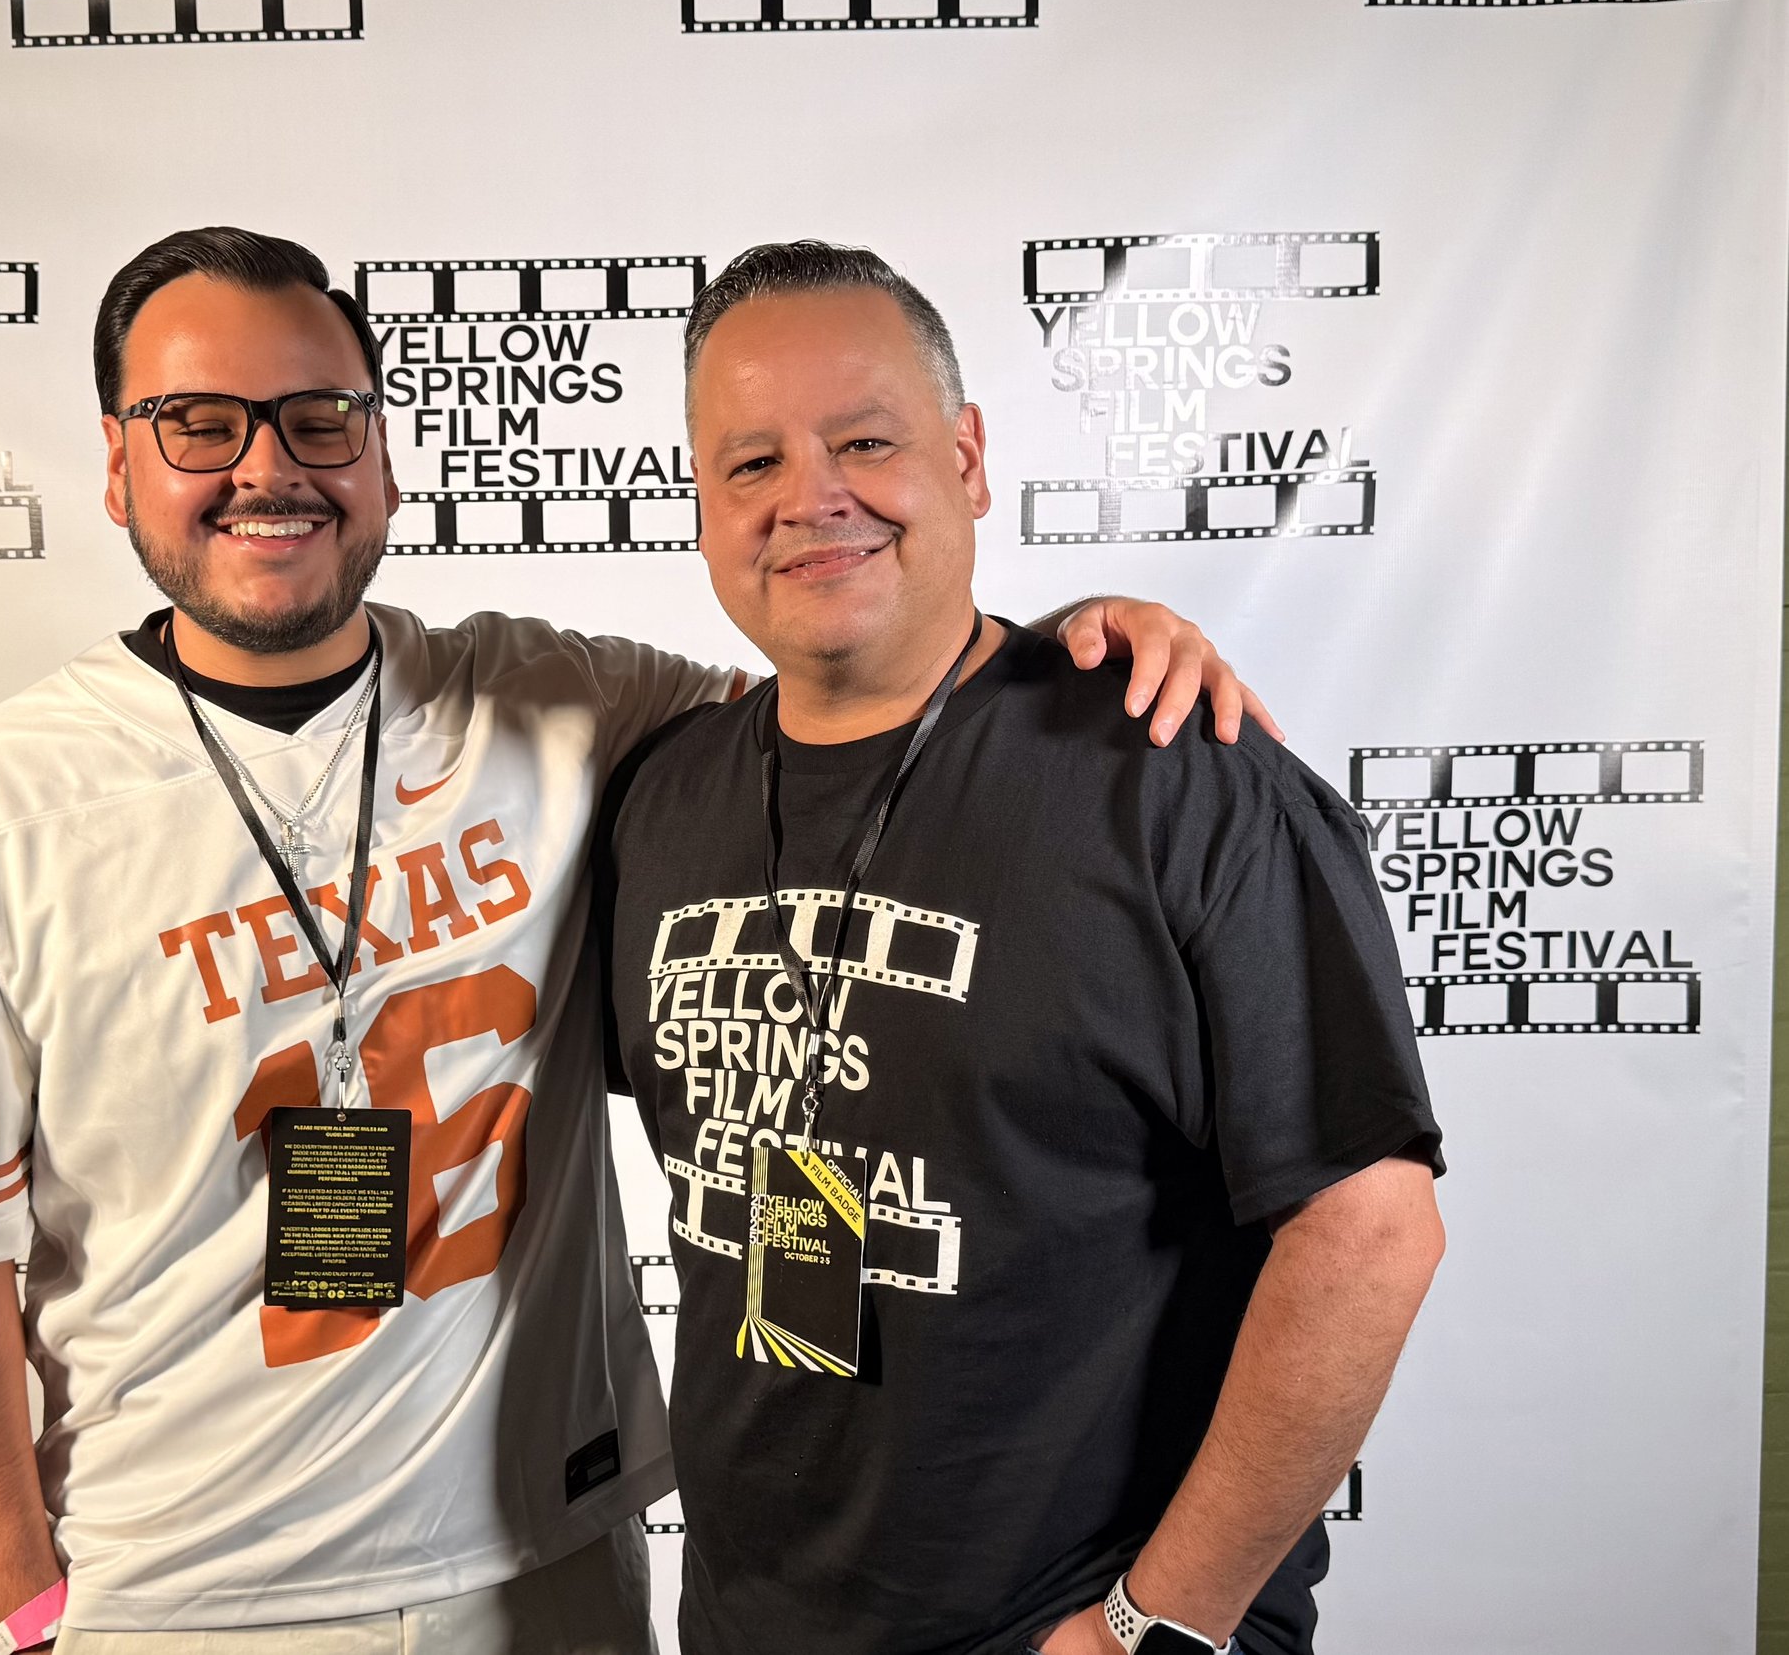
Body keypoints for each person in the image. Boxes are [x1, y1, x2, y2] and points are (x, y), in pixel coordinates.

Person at [0, 227, 1271, 1653]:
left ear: (382, 457)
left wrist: (1070, 651)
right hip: (184, 1593)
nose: (267, 468)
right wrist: (23, 1606)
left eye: (318, 419)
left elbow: (873, 682)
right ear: (119, 464)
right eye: (199, 424)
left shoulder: (561, 704)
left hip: (547, 1568)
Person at [593, 241, 1446, 1655]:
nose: (811, 496)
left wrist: (1147, 1627)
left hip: (1080, 1628)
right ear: (701, 499)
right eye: (751, 463)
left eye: (867, 441)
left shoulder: (1178, 772)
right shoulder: (662, 799)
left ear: (970, 460)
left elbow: (1370, 1231)